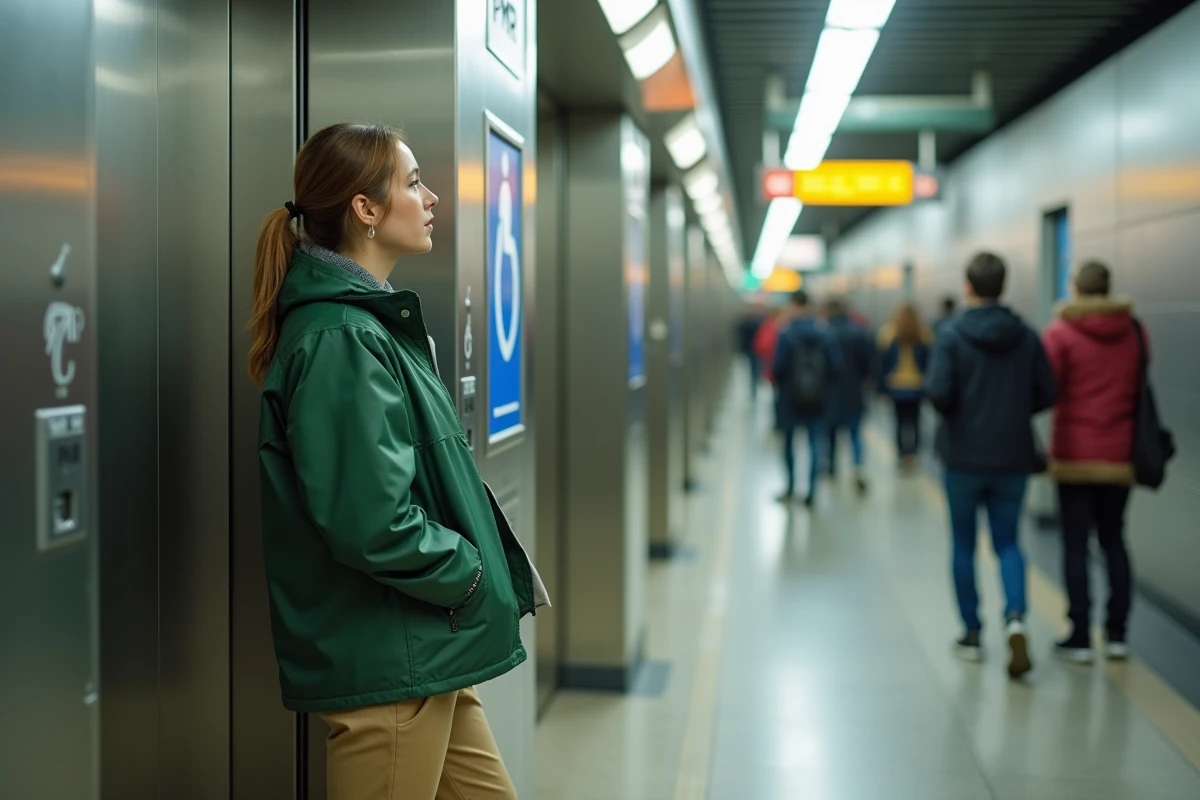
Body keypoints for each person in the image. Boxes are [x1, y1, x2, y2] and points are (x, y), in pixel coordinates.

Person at [248, 123, 547, 800]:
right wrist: (468, 574)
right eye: (413, 183)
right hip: (393, 654)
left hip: (419, 650)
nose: (432, 197)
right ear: (366, 209)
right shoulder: (342, 339)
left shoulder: (367, 327)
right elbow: (371, 519)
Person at [926, 252, 1056, 678]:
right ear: (1004, 285)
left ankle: (972, 633)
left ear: (968, 286)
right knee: (1008, 542)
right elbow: (1047, 392)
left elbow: (938, 393)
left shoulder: (951, 335)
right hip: (1013, 456)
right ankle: (1016, 617)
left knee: (963, 544)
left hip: (962, 457)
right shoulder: (1027, 336)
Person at [1043, 261, 1143, 663]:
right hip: (1120, 452)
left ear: (1076, 289)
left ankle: (1080, 635)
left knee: (1075, 544)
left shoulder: (1060, 333)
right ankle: (1117, 634)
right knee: (1114, 539)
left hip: (1074, 454)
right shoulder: (1134, 331)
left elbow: (1048, 388)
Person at [772, 290, 842, 506]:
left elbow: (778, 367)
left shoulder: (786, 334)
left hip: (790, 399)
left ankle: (791, 487)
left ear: (793, 306)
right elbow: (836, 366)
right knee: (815, 444)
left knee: (789, 444)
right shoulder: (826, 333)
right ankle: (811, 492)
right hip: (818, 399)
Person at [822, 297, 874, 493]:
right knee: (855, 433)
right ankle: (858, 468)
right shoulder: (858, 332)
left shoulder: (826, 333)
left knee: (830, 433)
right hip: (854, 391)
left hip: (831, 393)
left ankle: (831, 467)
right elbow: (868, 363)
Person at [877, 303, 932, 468]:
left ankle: (902, 454)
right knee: (915, 422)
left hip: (896, 384)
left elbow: (882, 363)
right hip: (917, 384)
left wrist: (880, 388)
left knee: (899, 422)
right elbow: (929, 360)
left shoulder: (888, 332)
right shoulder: (923, 333)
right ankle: (913, 454)